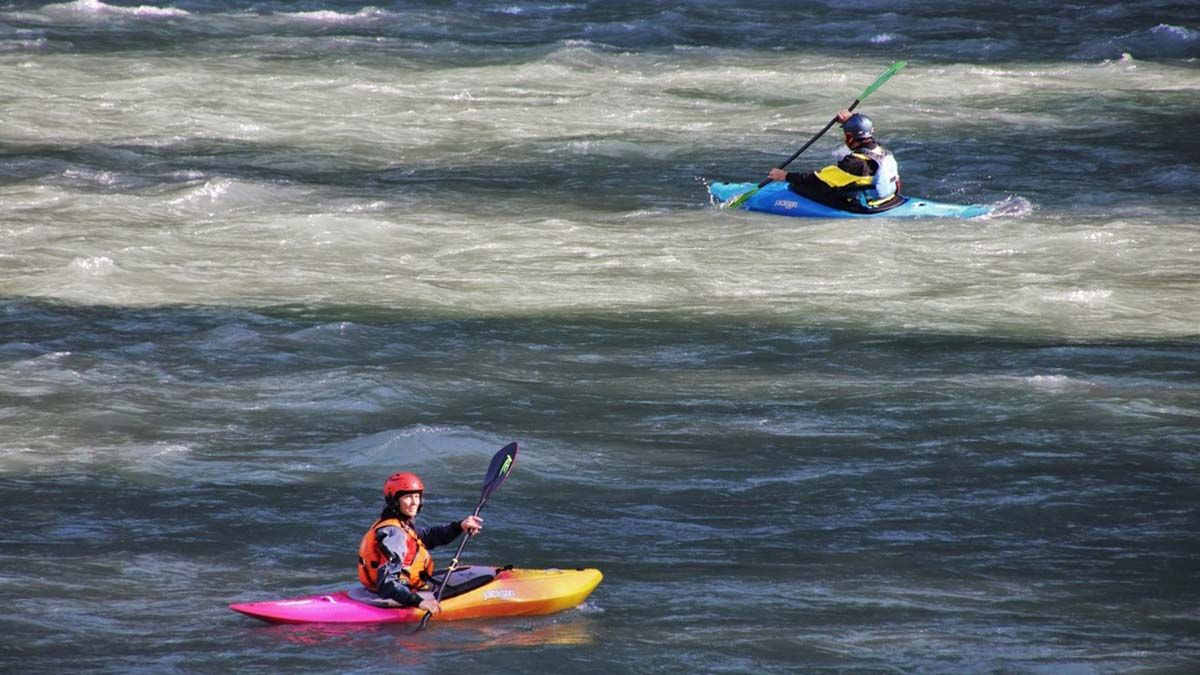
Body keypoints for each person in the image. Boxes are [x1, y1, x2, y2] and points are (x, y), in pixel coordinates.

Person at [356, 471, 483, 615]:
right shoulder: (394, 533)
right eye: (408, 496)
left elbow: (429, 536)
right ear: (395, 501)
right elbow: (387, 582)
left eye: (417, 496)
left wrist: (460, 526)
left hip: (385, 588)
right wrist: (419, 602)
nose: (415, 502)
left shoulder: (397, 524)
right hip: (397, 592)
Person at [766, 110, 902, 213]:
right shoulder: (884, 152)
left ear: (849, 136)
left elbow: (815, 179)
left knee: (800, 186)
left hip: (865, 207)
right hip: (889, 200)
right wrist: (852, 121)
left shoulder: (853, 164)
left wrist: (785, 176)